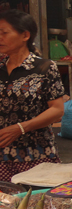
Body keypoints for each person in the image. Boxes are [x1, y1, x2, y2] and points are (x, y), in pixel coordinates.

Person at [0, 10, 65, 181]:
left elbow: (57, 110)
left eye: (4, 33)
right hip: (1, 155)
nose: (0, 37)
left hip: (34, 154)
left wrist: (21, 128)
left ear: (25, 35)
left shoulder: (44, 68)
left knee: (34, 203)